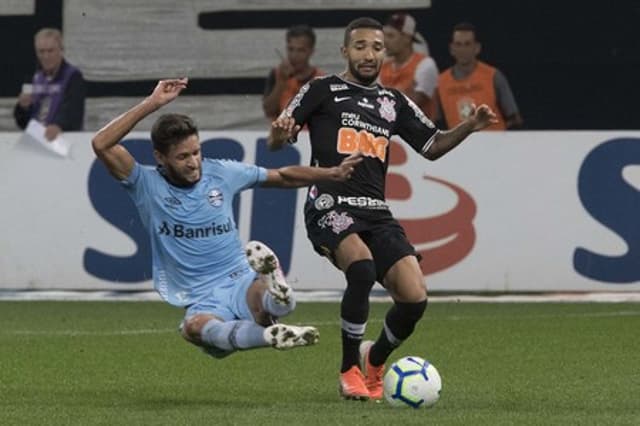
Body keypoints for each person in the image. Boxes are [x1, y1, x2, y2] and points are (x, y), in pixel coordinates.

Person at [268, 17, 497, 400]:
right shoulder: (322, 89)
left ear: (384, 52)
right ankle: (348, 371)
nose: (369, 54)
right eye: (360, 46)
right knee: (361, 267)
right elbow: (278, 140)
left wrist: (470, 126)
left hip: (375, 211)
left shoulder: (393, 102)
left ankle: (374, 359)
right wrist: (280, 128)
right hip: (329, 203)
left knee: (414, 296)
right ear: (345, 51)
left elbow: (433, 146)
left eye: (376, 47)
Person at [92, 78, 362, 359]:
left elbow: (281, 175)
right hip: (201, 295)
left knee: (256, 307)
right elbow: (101, 143)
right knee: (195, 328)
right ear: (160, 157)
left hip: (239, 279)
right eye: (182, 156)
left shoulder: (221, 172)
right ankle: (273, 330)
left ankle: (278, 296)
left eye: (196, 152)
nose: (193, 162)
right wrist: (152, 103)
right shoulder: (144, 183)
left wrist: (331, 174)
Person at [436, 22, 523, 130]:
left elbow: (515, 118)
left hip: (495, 144)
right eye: (458, 44)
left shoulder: (493, 76)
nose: (463, 49)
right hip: (460, 145)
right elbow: (436, 121)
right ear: (451, 49)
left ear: (477, 48)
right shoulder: (440, 82)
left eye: (467, 44)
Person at [14, 28, 86, 140]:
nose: (46, 56)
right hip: (37, 142)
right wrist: (22, 108)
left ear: (61, 50)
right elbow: (23, 123)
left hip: (65, 141)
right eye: (41, 51)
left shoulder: (73, 76)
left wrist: (59, 125)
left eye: (50, 51)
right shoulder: (34, 78)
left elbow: (74, 112)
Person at [380, 13, 439, 118]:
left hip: (421, 132)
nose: (385, 41)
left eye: (391, 36)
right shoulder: (383, 67)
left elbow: (412, 105)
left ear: (407, 38)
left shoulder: (425, 65)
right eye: (384, 35)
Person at [262, 25, 324, 121]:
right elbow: (268, 111)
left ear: (311, 51)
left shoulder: (320, 79)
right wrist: (281, 83)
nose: (294, 55)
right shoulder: (277, 74)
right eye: (291, 49)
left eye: (301, 50)